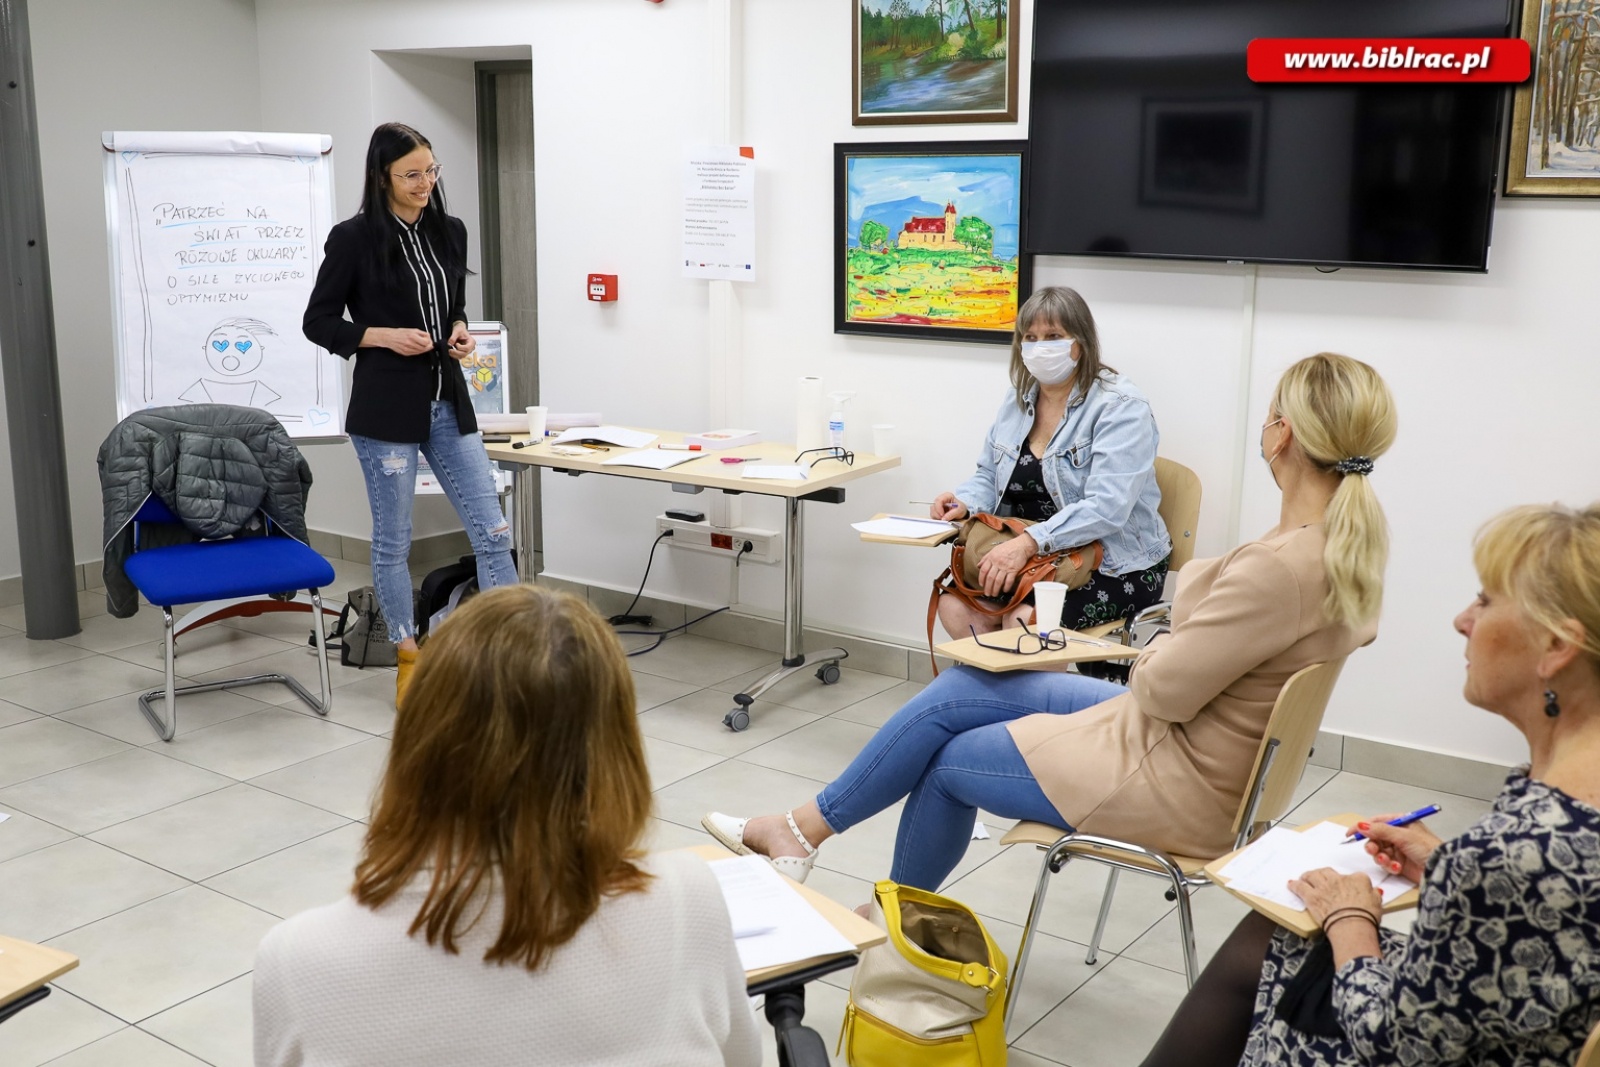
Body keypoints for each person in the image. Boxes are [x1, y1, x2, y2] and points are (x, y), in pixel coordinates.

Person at [706, 352, 1395, 890]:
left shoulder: (1279, 569)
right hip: (1192, 744)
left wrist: (1171, 629)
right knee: (973, 681)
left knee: (948, 762)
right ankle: (800, 830)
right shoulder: (1342, 545)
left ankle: (891, 917)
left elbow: (1161, 688)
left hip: (1178, 772)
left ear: (1281, 434)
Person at [1138, 502, 1600, 1067]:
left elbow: (1390, 1042)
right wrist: (1446, 868)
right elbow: (1551, 918)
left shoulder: (1511, 854)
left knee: (1272, 943)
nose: (1463, 620)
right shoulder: (1553, 821)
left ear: (1558, 647)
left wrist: (1351, 919)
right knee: (1269, 939)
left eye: (1485, 600)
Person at [253, 585, 762, 1067]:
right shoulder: (688, 900)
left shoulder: (299, 961)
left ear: (420, 743)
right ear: (616, 752)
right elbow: (742, 1059)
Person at [303, 122, 517, 705]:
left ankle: (511, 657)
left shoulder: (451, 232)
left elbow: (455, 305)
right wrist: (379, 336)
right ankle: (407, 656)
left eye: (431, 170)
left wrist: (459, 331)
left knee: (494, 532)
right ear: (382, 178)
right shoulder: (352, 239)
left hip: (448, 400)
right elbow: (318, 322)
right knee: (393, 541)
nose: (425, 183)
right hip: (385, 410)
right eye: (411, 174)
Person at [930, 285, 1171, 639]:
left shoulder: (1121, 406)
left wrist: (1027, 543)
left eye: (1053, 336)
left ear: (1080, 343)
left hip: (1116, 564)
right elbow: (989, 475)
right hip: (1030, 557)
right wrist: (963, 502)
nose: (1040, 347)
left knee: (1026, 622)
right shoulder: (1017, 402)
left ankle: (1044, 696)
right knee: (955, 607)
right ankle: (1001, 696)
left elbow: (1107, 507)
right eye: (1030, 337)